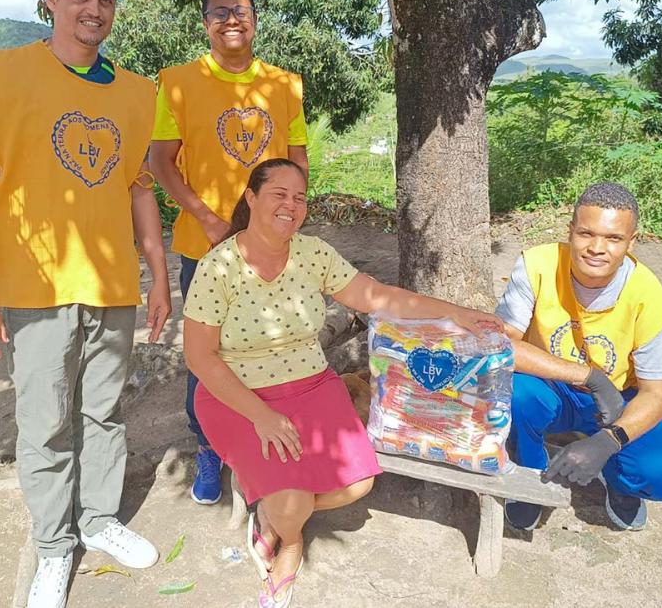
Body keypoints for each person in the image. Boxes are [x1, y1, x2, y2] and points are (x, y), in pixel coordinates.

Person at [0, 0, 171, 608]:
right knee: (45, 422)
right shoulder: (1, 75)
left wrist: (158, 273)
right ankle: (53, 547)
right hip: (33, 287)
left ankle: (98, 520)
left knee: (103, 411)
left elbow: (137, 190)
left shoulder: (137, 94)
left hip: (112, 286)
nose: (93, 11)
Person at [183, 158, 502, 608]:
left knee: (358, 485)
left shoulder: (312, 253)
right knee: (293, 501)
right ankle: (289, 543)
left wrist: (448, 310)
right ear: (251, 198)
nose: (290, 206)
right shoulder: (218, 267)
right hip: (238, 395)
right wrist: (262, 416)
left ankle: (273, 521)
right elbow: (199, 356)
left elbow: (375, 296)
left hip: (312, 386)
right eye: (279, 194)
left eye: (299, 198)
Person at [150, 0, 309, 506]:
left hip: (271, 250)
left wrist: (288, 218)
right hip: (204, 247)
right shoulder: (175, 81)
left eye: (240, 10)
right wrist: (210, 220)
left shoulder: (286, 85)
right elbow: (160, 163)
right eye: (219, 13)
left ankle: (262, 439)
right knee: (206, 355)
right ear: (205, 24)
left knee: (269, 346)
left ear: (255, 19)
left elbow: (298, 159)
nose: (231, 20)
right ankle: (210, 449)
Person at [495, 182, 662, 532]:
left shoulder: (648, 296)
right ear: (570, 231)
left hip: (617, 399)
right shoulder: (537, 264)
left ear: (632, 242)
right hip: (549, 385)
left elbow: (657, 394)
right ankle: (528, 472)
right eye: (586, 233)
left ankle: (618, 481)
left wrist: (609, 440)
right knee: (515, 393)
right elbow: (501, 345)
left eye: (614, 239)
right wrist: (589, 377)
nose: (597, 248)